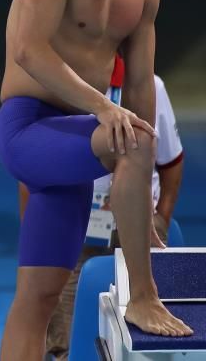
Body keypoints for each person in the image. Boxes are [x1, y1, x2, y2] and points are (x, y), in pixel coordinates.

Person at [0, 0, 192, 361]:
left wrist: (141, 200)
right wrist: (103, 106)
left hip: (76, 145)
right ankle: (142, 299)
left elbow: (141, 85)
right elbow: (28, 49)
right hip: (28, 127)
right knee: (130, 140)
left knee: (37, 300)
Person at [18, 66, 185, 360]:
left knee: (152, 339)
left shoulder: (152, 87)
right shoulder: (54, 93)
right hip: (76, 229)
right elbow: (30, 175)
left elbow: (171, 164)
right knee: (69, 338)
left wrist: (159, 220)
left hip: (139, 228)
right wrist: (34, 244)